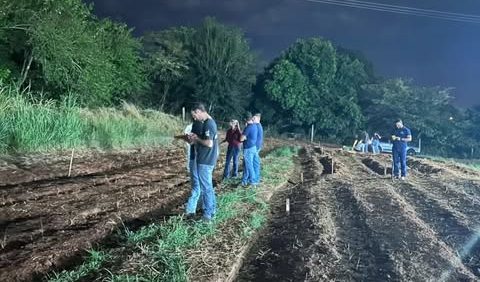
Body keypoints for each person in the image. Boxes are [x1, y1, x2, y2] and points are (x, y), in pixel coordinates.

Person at [185, 103, 219, 221]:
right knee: (207, 186)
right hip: (206, 160)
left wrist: (196, 139)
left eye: (194, 115)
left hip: (205, 160)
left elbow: (209, 144)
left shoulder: (209, 124)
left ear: (199, 111)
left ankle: (208, 215)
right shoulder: (208, 123)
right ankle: (212, 210)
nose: (194, 118)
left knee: (206, 188)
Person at [240, 112, 258, 187]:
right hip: (253, 147)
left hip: (248, 148)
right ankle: (245, 180)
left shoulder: (248, 127)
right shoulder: (255, 126)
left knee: (249, 165)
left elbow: (241, 139)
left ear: (245, 119)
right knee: (251, 165)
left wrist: (244, 135)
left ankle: (253, 182)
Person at [252, 113, 263, 184]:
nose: (253, 119)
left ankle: (256, 180)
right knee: (254, 163)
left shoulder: (257, 126)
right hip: (256, 146)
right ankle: (255, 178)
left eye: (254, 118)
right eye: (253, 118)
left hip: (256, 147)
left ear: (258, 119)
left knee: (255, 163)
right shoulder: (258, 126)